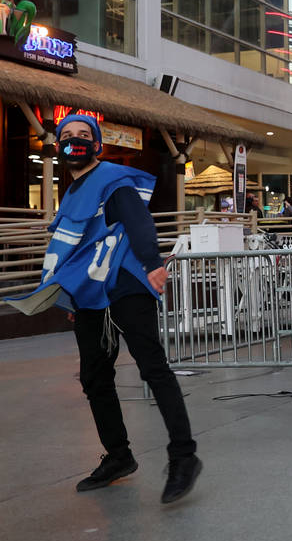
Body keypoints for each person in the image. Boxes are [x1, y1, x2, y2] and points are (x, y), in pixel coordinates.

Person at [23, 115, 202, 503]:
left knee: (153, 368)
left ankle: (184, 456)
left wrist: (153, 262)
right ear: (58, 147)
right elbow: (75, 250)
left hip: (125, 286)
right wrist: (73, 295)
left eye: (84, 136)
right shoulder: (70, 194)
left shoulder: (111, 180)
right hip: (91, 296)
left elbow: (138, 220)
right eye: (67, 136)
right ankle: (119, 456)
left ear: (97, 144)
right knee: (94, 378)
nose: (75, 141)